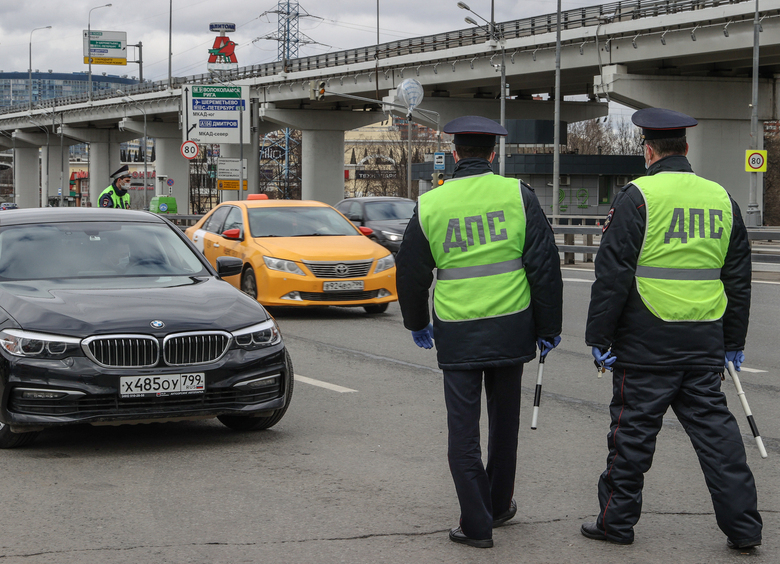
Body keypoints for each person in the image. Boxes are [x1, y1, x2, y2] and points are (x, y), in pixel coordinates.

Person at [582, 108, 762, 549]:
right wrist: (732, 342)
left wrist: (599, 337)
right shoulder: (722, 198)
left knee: (632, 437)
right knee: (719, 439)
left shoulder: (637, 196)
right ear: (685, 148)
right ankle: (744, 529)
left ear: (647, 150)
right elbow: (737, 278)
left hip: (646, 341)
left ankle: (615, 523)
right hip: (703, 339)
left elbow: (613, 275)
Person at [396, 115, 563, 549]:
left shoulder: (433, 203)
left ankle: (476, 523)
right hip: (512, 328)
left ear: (455, 155)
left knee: (463, 432)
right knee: (504, 427)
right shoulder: (518, 195)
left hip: (458, 331)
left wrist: (417, 322)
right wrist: (549, 328)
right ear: (493, 154)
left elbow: (411, 272)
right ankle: (499, 503)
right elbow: (544, 267)